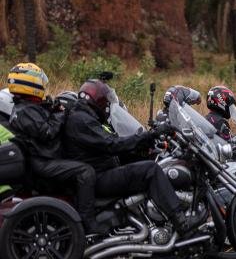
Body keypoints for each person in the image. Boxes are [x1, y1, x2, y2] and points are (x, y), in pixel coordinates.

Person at [63, 78, 195, 236]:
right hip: (100, 177)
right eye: (105, 101)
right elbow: (111, 144)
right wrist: (148, 135)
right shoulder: (82, 120)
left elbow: (105, 145)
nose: (106, 105)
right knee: (150, 170)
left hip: (100, 170)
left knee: (143, 163)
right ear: (97, 100)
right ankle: (180, 221)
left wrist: (141, 145)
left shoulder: (83, 117)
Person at [5, 63, 101, 234]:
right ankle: (88, 222)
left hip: (42, 159)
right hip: (42, 163)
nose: (43, 85)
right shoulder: (24, 111)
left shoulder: (26, 107)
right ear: (31, 84)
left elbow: (42, 122)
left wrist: (50, 107)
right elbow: (47, 132)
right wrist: (61, 113)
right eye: (40, 82)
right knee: (85, 171)